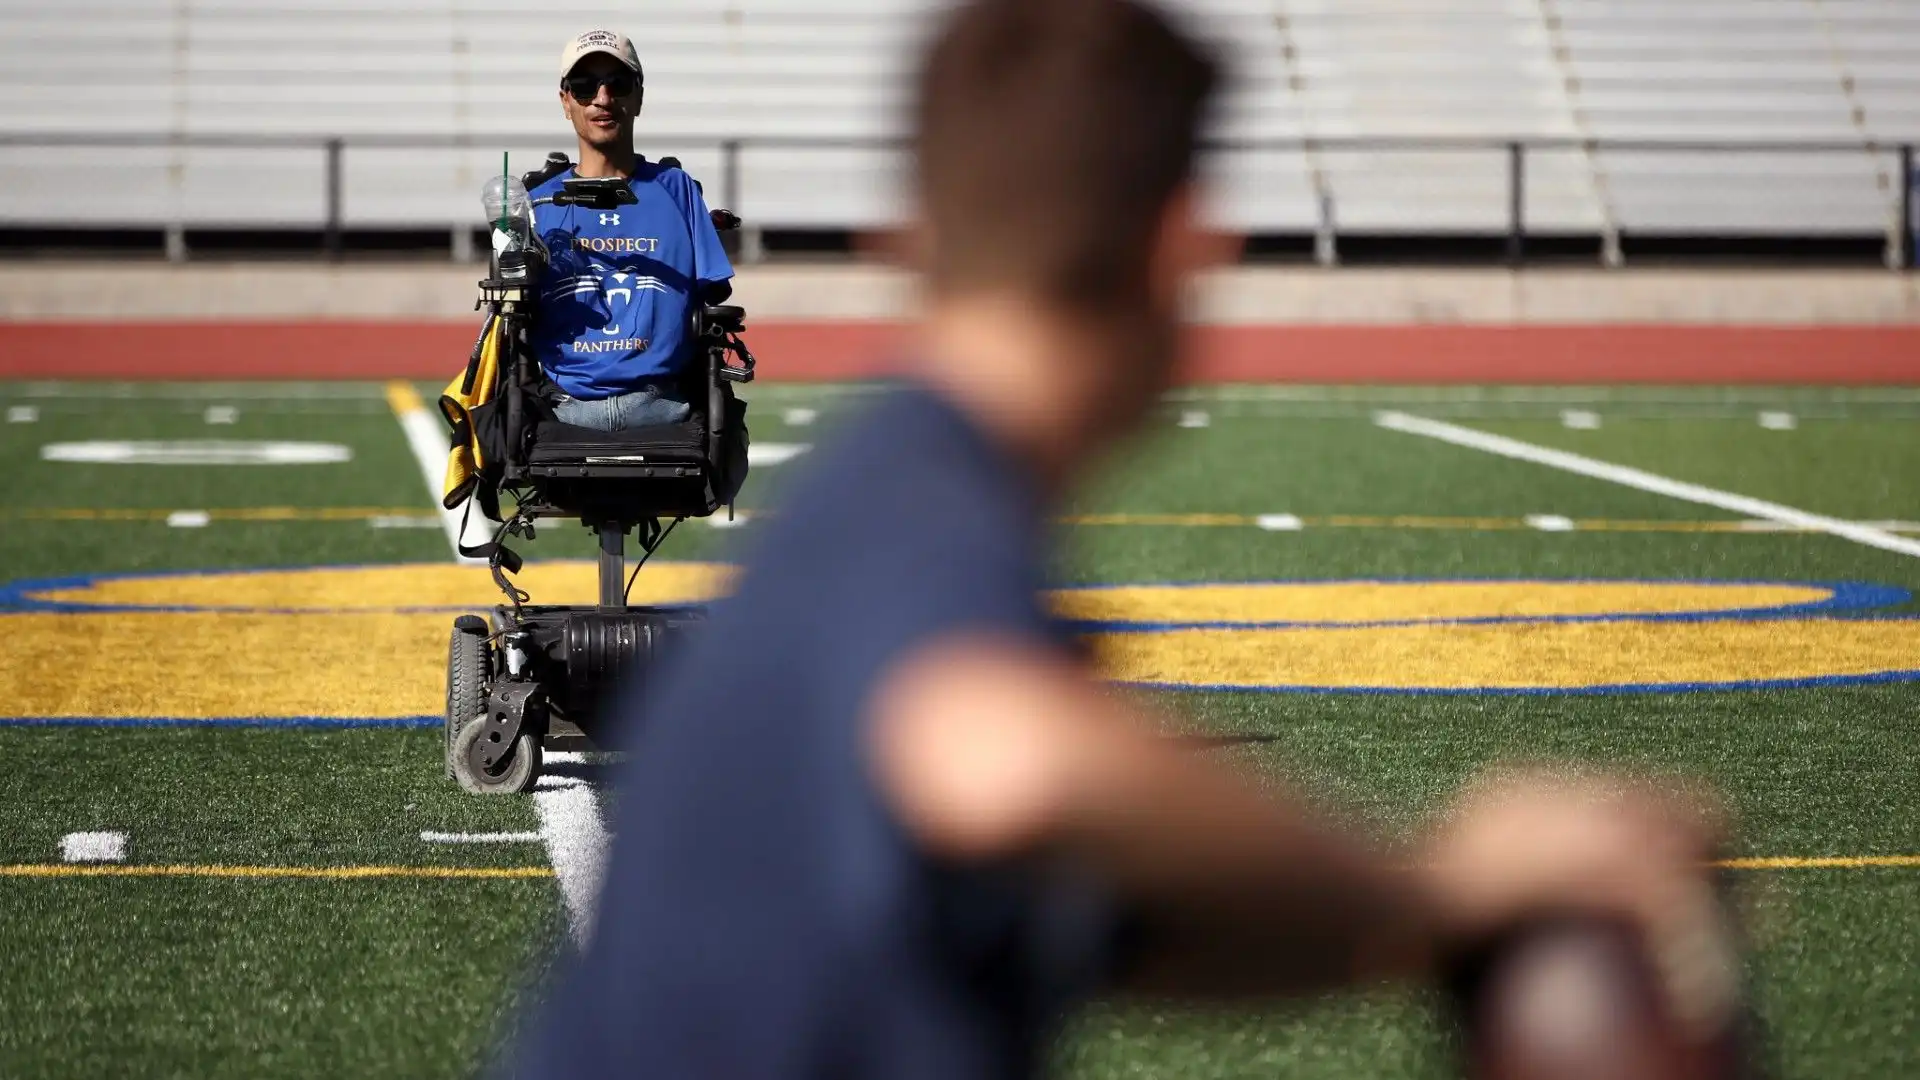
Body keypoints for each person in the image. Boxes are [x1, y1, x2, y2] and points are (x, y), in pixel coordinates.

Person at [503, 1, 1730, 1076]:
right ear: (1182, 254)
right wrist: (1438, 883)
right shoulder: (928, 510)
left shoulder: (887, 484)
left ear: (920, 240)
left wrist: (1408, 923)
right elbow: (997, 757)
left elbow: (1108, 924)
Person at [528, 30, 735, 431]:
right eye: (585, 87)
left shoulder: (677, 190)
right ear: (565, 100)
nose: (603, 99)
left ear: (638, 96)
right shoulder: (536, 203)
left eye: (618, 85)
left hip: (662, 403)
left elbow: (715, 295)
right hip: (564, 408)